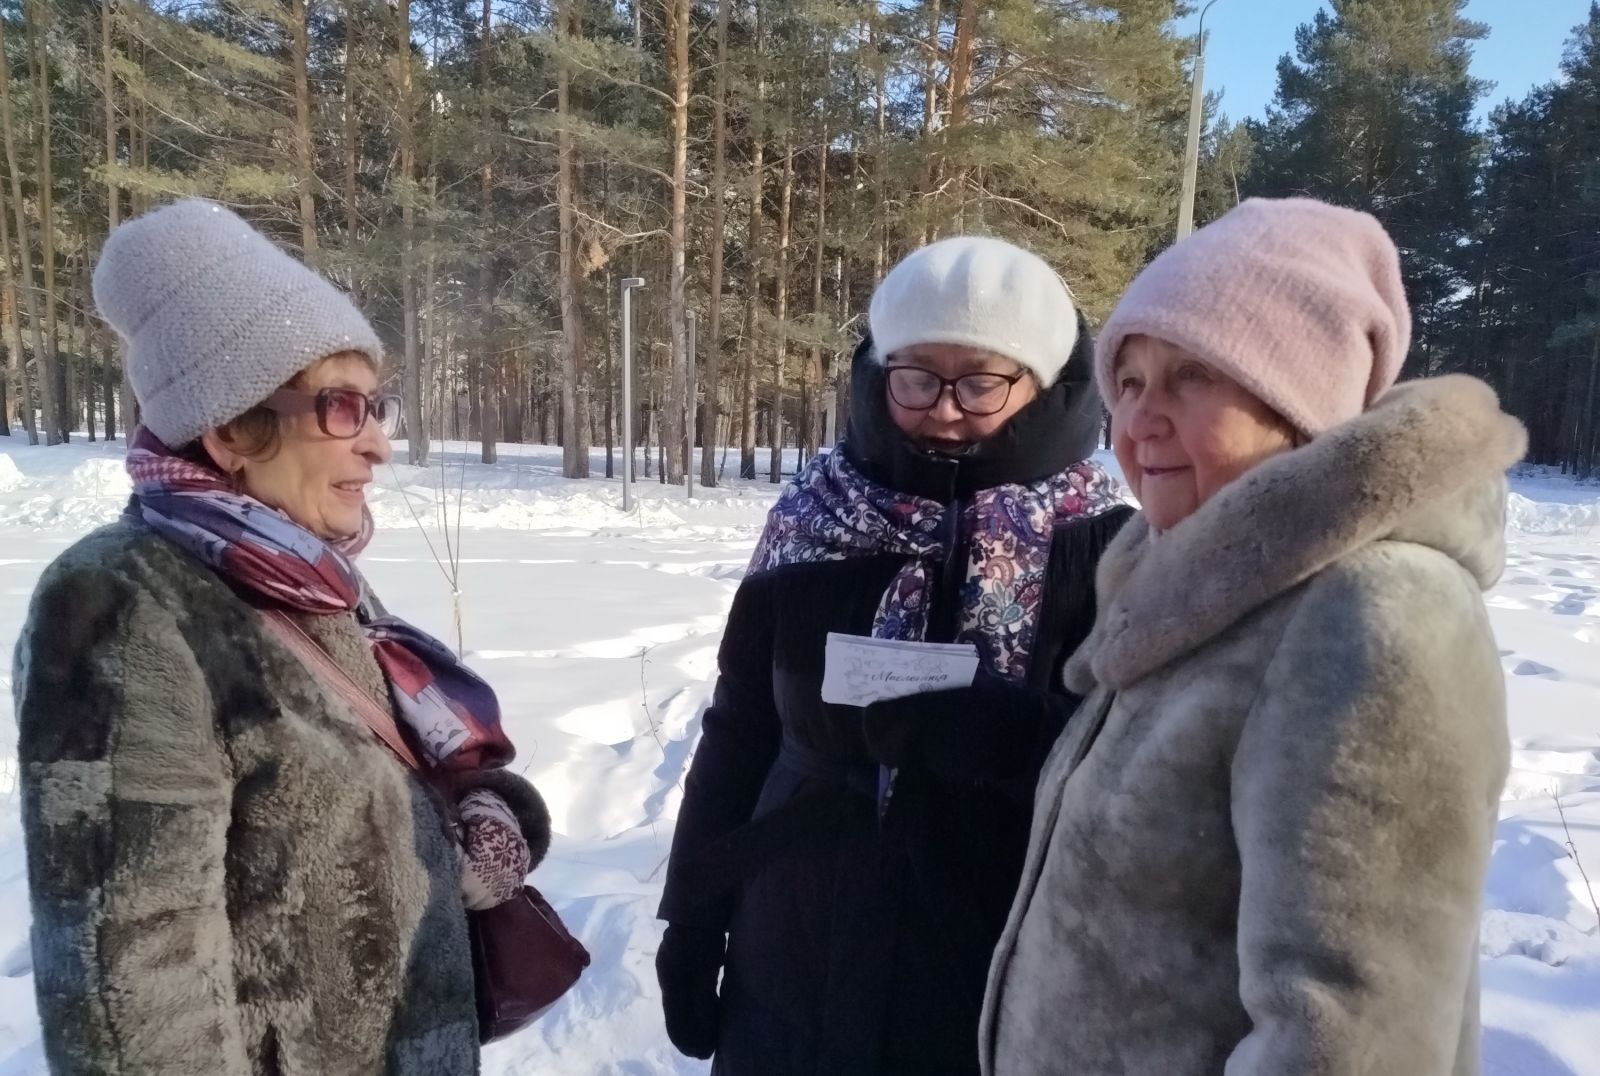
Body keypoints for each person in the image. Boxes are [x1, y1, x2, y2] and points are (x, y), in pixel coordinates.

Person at [980, 198, 1523, 1076]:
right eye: (1129, 382)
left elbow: (1350, 1039)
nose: (1139, 420)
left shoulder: (1372, 611)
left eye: (1192, 376)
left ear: (1298, 401)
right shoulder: (1191, 591)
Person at [15, 199, 551, 1075]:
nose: (378, 445)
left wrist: (490, 815)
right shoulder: (121, 604)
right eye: (341, 408)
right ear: (231, 427)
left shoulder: (307, 578)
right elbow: (133, 997)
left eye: (377, 406)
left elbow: (378, 787)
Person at [655, 236, 1133, 1075]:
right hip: (794, 944)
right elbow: (742, 726)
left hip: (991, 957)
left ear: (1045, 384)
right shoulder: (812, 518)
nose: (943, 409)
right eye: (915, 377)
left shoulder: (1107, 543)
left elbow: (1144, 761)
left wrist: (1020, 737)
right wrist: (694, 914)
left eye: (980, 381)